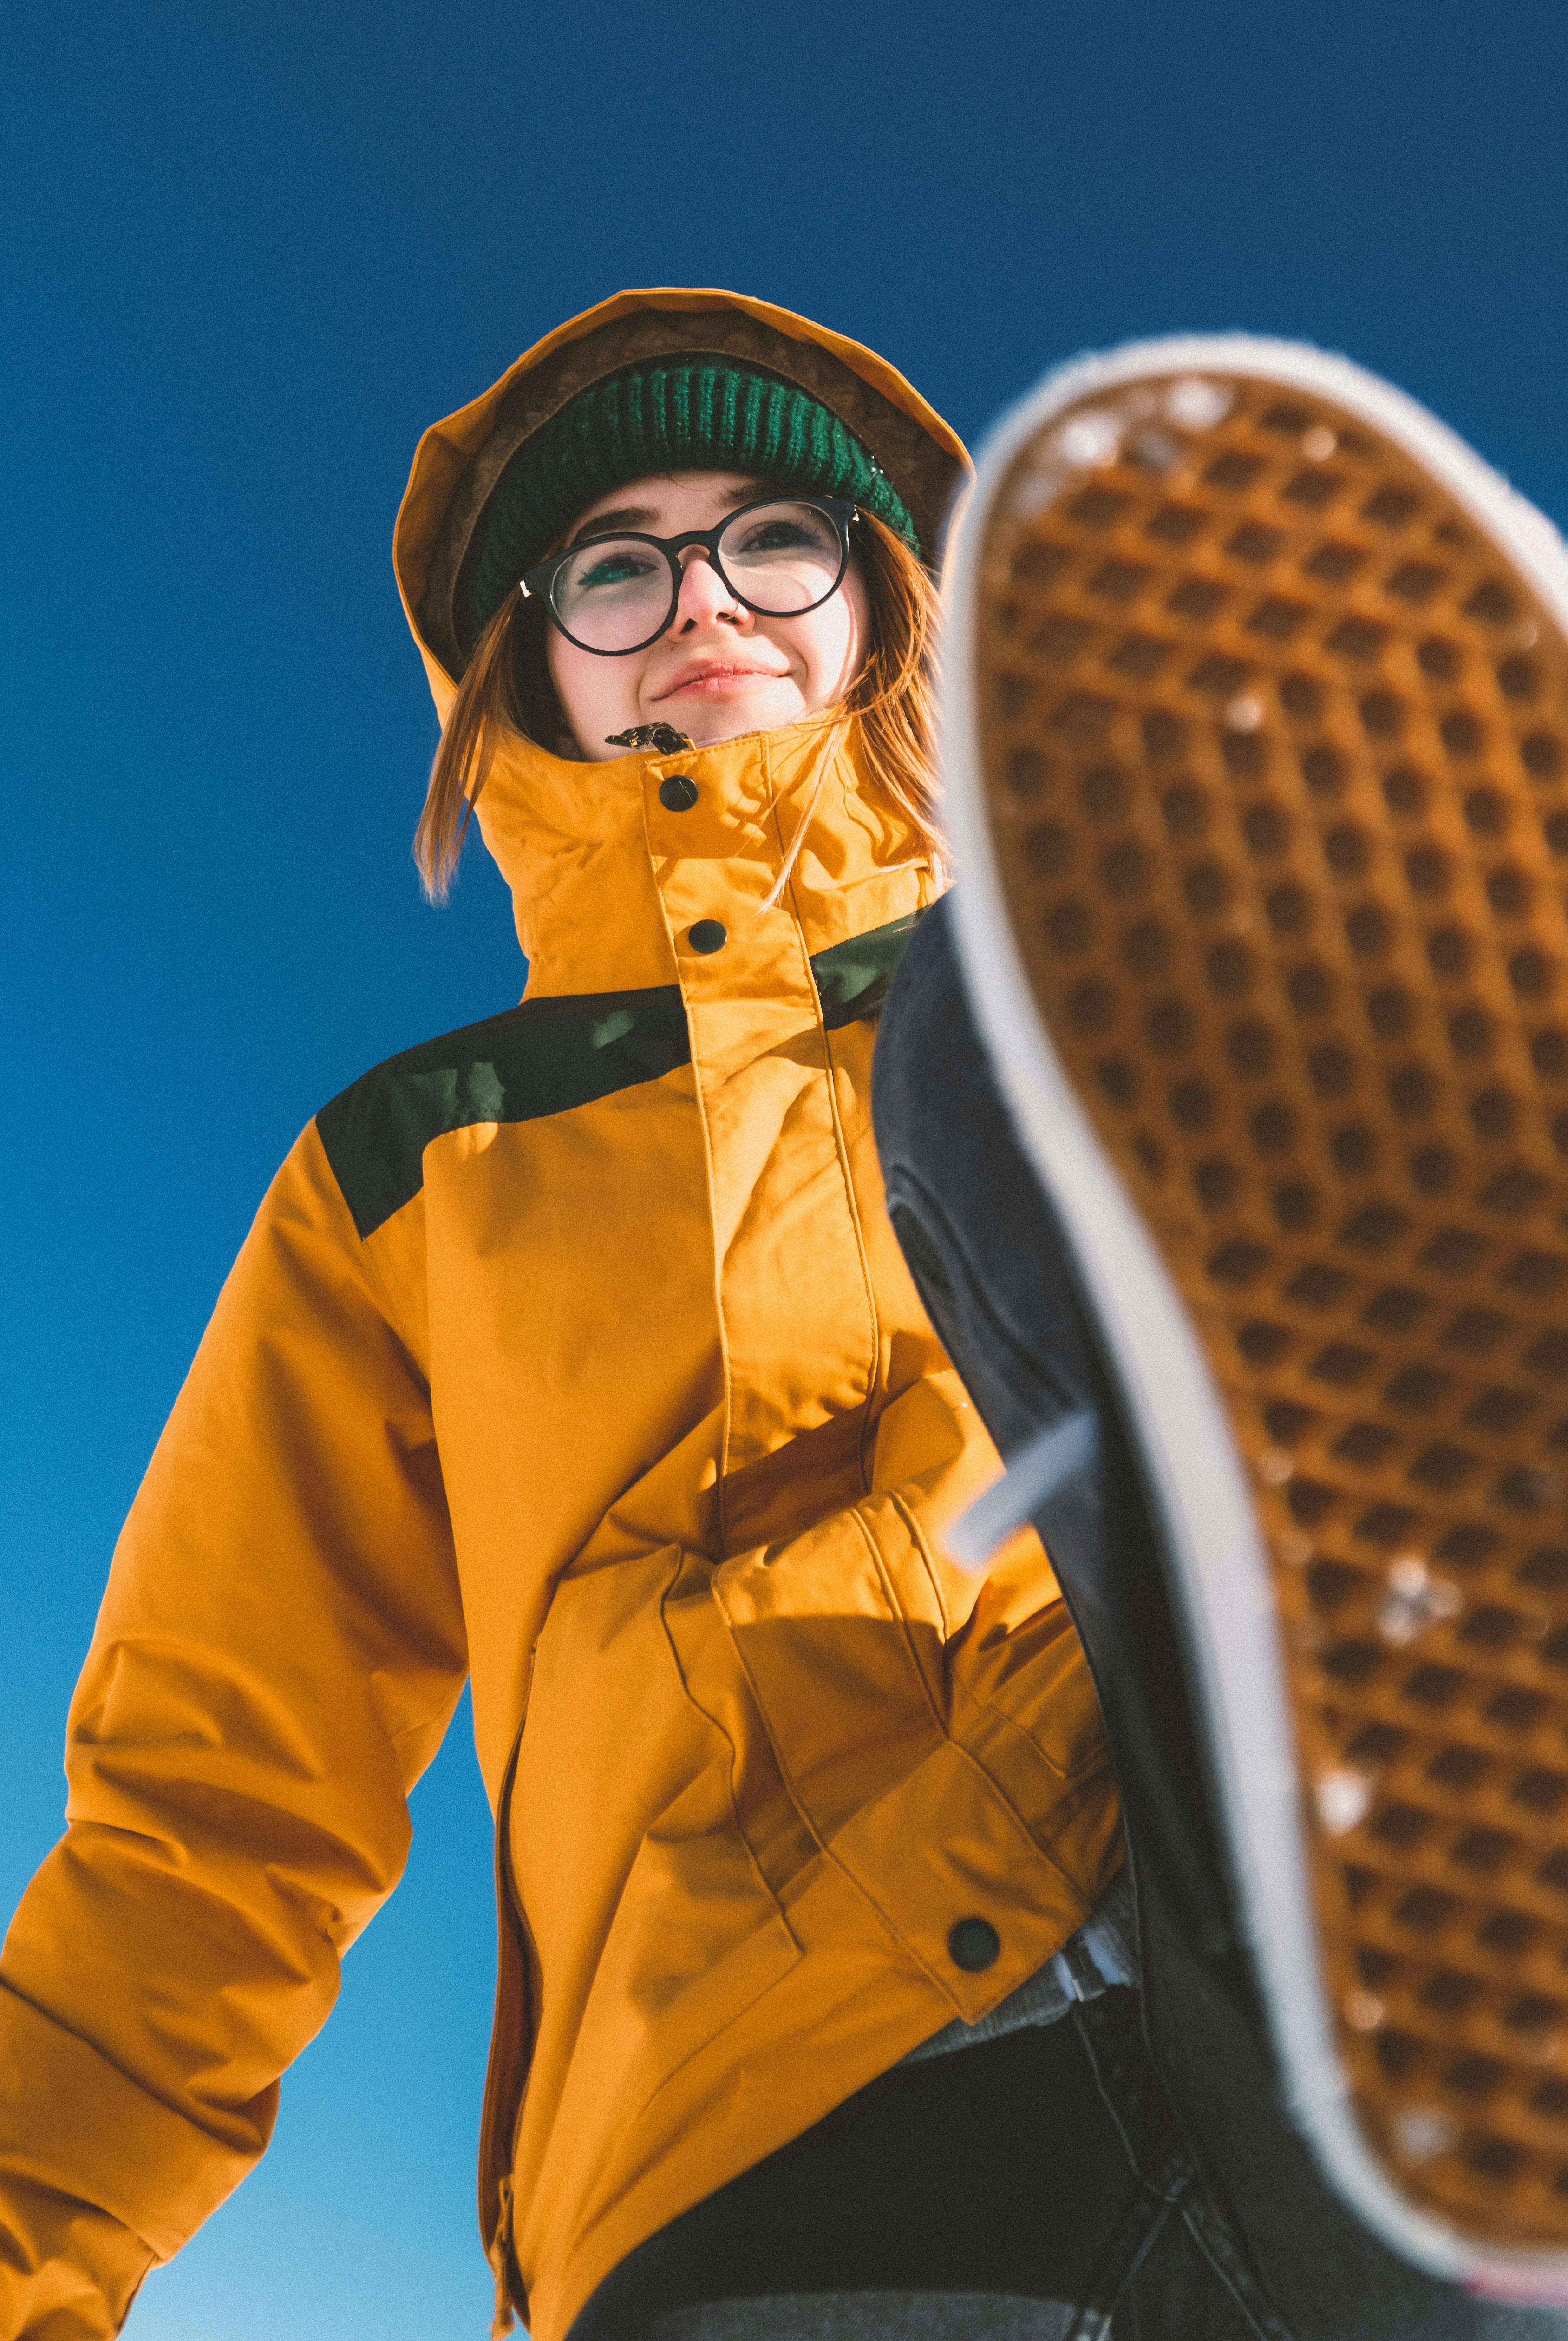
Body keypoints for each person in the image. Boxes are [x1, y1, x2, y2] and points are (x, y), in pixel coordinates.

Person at [0, 288, 1562, 2341]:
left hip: (1246, 1907)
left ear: (880, 604)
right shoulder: (414, 1171)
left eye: (772, 536)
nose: (698, 598)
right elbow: (211, 1816)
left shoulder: (1077, 1002)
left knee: (1077, 1074)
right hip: (780, 2116)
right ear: (529, 664)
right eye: (616, 564)